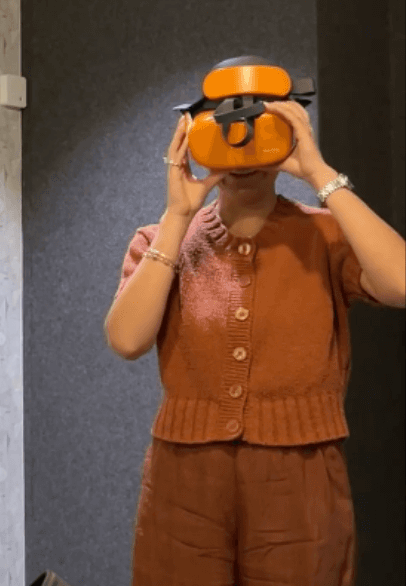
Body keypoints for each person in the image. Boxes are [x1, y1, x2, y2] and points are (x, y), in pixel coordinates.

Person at [105, 96, 406, 586]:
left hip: (301, 475)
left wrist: (319, 174)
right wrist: (178, 216)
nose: (242, 150)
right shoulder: (160, 239)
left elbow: (401, 281)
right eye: (223, 132)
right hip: (185, 478)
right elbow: (126, 339)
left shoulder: (326, 236)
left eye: (258, 130)